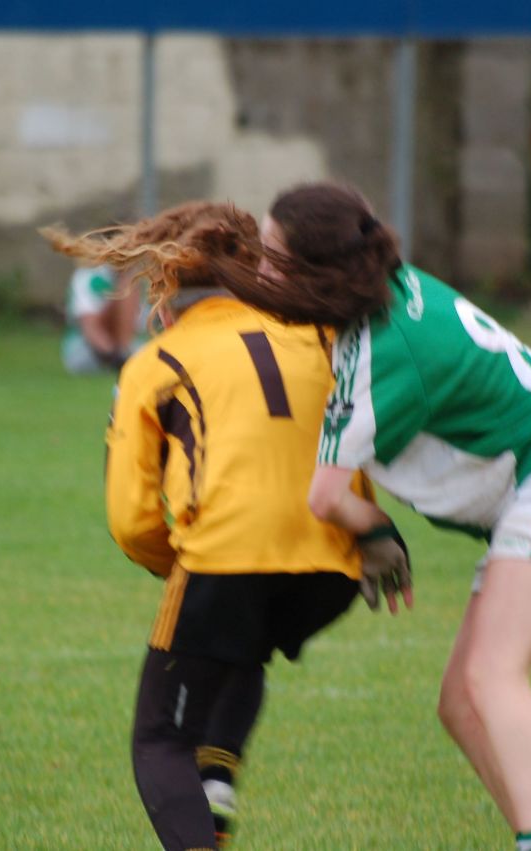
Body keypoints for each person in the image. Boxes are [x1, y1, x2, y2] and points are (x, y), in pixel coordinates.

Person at [222, 182, 531, 851]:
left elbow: (325, 497)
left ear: (319, 270)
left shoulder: (378, 357)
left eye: (272, 254)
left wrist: (375, 532)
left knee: (493, 676)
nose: (262, 268)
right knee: (462, 703)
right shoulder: (386, 288)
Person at [42, 201, 402, 851]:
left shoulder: (159, 360)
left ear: (166, 279)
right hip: (333, 567)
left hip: (228, 557)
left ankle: (203, 802)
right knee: (241, 644)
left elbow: (130, 518)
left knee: (159, 736)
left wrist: (172, 562)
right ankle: (217, 783)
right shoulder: (319, 336)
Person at [61, 262, 141, 374]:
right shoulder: (89, 276)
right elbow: (90, 326)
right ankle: (120, 356)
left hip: (123, 345)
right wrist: (115, 357)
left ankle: (123, 354)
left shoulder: (138, 277)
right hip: (86, 350)